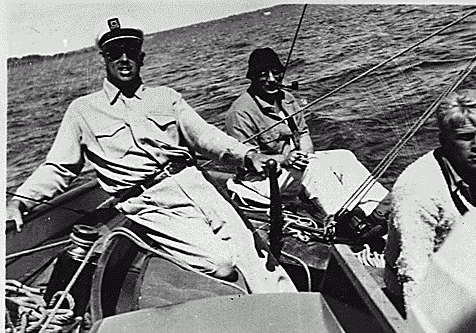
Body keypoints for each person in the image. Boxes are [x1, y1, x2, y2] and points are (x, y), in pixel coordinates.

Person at [5, 17, 295, 293]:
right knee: (221, 263)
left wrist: (247, 155)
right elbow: (58, 167)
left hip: (195, 183)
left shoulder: (165, 96)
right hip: (149, 203)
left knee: (253, 252)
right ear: (104, 59)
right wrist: (20, 201)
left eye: (130, 52)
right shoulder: (82, 111)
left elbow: (204, 135)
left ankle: (294, 315)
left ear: (141, 57)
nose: (123, 59)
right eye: (115, 52)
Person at [383, 88, 476, 311]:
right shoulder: (417, 187)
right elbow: (414, 271)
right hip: (430, 285)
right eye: (466, 137)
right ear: (444, 141)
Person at [225, 47, 390, 241]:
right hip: (259, 180)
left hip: (292, 169)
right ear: (252, 77)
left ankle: (382, 211)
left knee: (344, 157)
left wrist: (304, 156)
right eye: (263, 75)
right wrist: (285, 159)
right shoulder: (240, 113)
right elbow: (247, 160)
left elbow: (303, 135)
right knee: (312, 168)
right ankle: (347, 225)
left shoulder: (286, 98)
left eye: (276, 73)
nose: (271, 79)